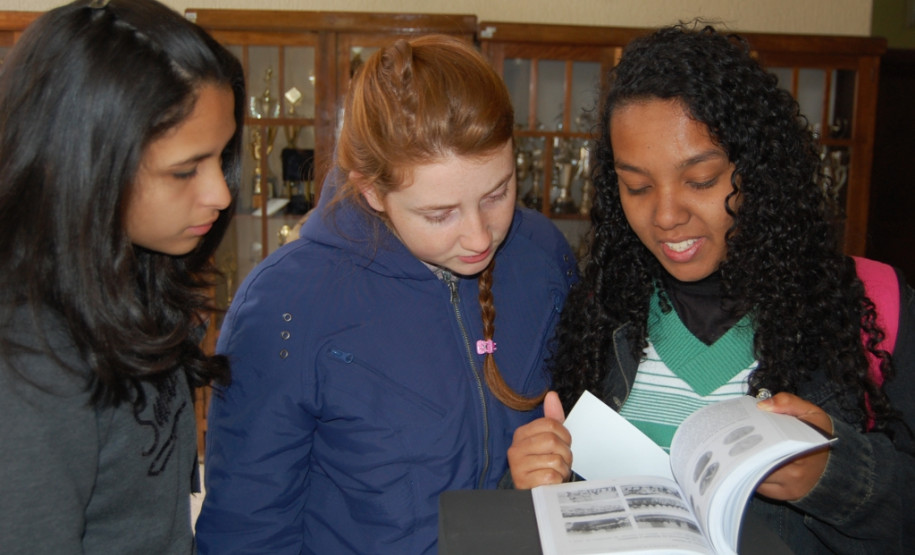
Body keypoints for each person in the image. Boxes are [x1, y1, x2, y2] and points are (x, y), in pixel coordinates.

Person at [507, 24, 915, 553]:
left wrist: (831, 477)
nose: (667, 215)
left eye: (701, 180)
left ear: (759, 170)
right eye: (637, 186)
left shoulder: (871, 304)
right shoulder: (602, 311)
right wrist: (541, 485)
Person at [195, 34, 577, 554]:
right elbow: (246, 529)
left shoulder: (542, 256)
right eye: (439, 214)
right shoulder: (285, 302)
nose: (480, 236)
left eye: (498, 193)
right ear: (373, 191)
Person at [0, 0, 245, 552]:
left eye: (221, 157)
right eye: (185, 169)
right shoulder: (28, 358)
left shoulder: (133, 280)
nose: (221, 193)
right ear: (84, 163)